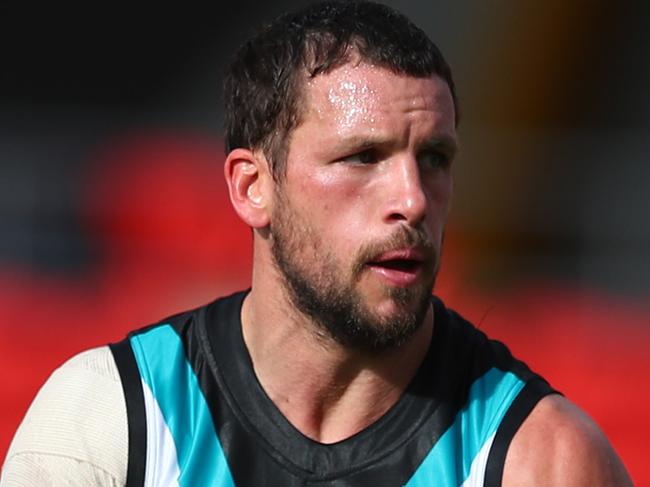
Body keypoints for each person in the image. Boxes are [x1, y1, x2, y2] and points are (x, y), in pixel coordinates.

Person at [1, 1, 632, 485]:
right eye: (362, 157)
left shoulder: (542, 461)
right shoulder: (108, 419)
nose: (412, 199)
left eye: (435, 158)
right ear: (252, 187)